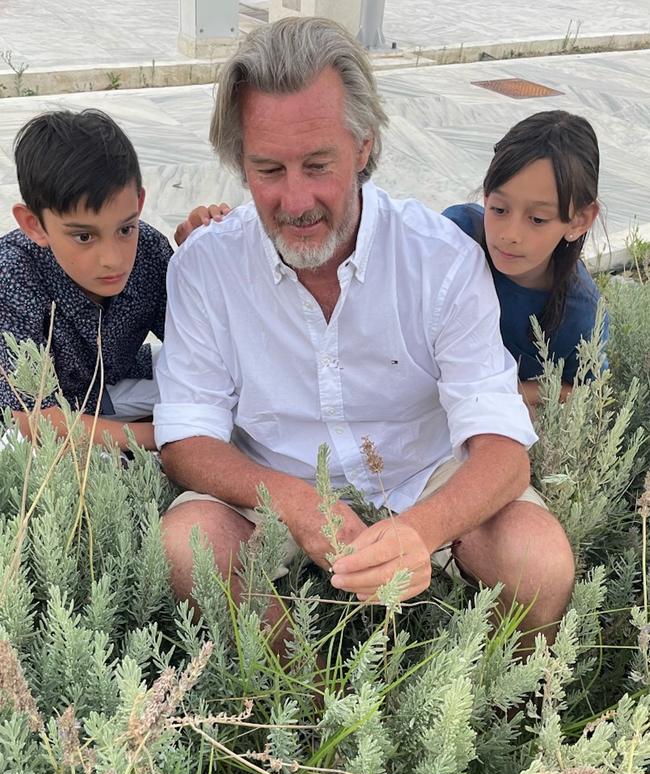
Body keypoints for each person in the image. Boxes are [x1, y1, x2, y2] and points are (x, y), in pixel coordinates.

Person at [154, 16, 575, 642]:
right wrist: (293, 502)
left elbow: (502, 449)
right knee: (188, 547)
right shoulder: (204, 267)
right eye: (268, 170)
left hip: (423, 477)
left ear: (365, 145)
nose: (295, 201)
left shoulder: (441, 259)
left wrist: (421, 531)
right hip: (273, 488)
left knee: (538, 564)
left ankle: (480, 720)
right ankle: (306, 706)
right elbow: (188, 437)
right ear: (238, 162)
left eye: (318, 164)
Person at [0, 109, 173, 451]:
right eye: (84, 237)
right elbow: (29, 416)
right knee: (20, 452)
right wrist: (163, 438)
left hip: (115, 383)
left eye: (125, 229)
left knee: (226, 385)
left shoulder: (151, 250)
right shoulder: (12, 272)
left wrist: (207, 251)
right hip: (37, 415)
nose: (113, 258)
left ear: (139, 203)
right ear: (34, 225)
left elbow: (202, 349)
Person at [443, 111, 607, 412]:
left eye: (537, 218)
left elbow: (589, 392)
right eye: (499, 209)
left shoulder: (581, 314)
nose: (509, 235)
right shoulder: (455, 235)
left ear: (579, 220)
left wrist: (508, 391)